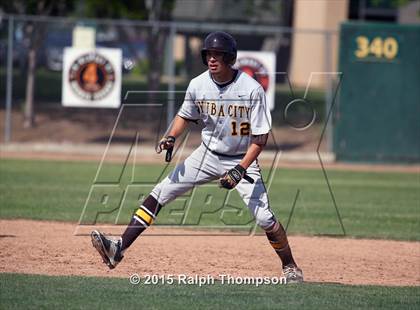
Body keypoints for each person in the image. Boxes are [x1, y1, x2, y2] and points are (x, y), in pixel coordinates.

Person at [91, 31, 303, 283]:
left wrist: (240, 169)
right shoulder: (198, 84)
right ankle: (118, 249)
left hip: (241, 158)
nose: (212, 59)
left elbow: (260, 139)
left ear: (230, 58)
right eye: (209, 54)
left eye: (218, 54)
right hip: (206, 154)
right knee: (160, 193)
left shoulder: (251, 89)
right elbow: (185, 115)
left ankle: (290, 265)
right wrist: (171, 136)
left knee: (264, 217)